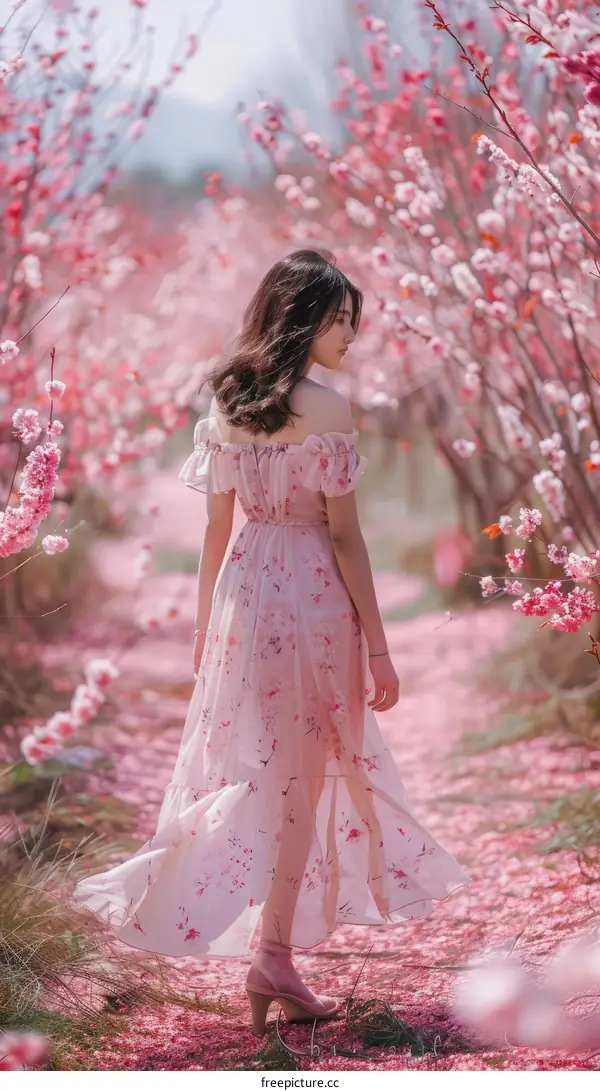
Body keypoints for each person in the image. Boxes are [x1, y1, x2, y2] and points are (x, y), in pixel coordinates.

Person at [74, 249, 471, 1036]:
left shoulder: (227, 401)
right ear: (303, 319)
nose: (351, 334)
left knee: (262, 766)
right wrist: (381, 647)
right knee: (306, 769)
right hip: (311, 592)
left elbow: (215, 531)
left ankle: (270, 947)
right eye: (339, 319)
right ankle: (268, 947)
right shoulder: (327, 409)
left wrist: (202, 630)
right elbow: (347, 538)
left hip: (242, 597)